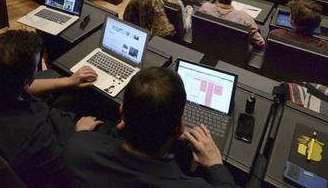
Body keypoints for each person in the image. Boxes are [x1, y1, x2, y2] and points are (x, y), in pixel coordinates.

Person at [0, 30, 102, 187]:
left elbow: (19, 87)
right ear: (26, 81)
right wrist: (81, 134)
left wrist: (68, 81)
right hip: (66, 143)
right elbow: (66, 165)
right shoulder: (34, 137)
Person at [63, 67, 237, 187]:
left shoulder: (76, 147)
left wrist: (83, 134)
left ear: (122, 112)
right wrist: (215, 163)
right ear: (178, 129)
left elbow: (80, 142)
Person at [199, 0, 265, 48]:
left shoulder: (205, 7)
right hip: (234, 54)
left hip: (208, 47)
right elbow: (260, 43)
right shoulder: (244, 18)